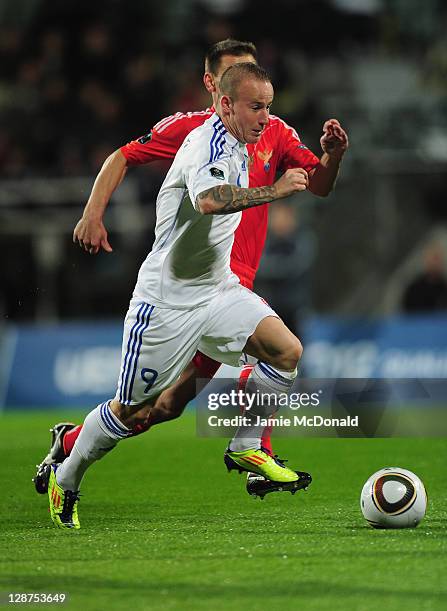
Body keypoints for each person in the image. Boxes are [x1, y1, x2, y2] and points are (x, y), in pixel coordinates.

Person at [34, 39, 348, 502]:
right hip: (177, 291)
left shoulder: (272, 131)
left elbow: (317, 184)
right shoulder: (191, 131)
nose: (258, 103)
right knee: (141, 409)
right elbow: (125, 156)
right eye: (240, 78)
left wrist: (333, 155)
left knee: (171, 405)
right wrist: (93, 212)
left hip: (225, 287)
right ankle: (75, 450)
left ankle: (249, 451)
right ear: (216, 88)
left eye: (258, 82)